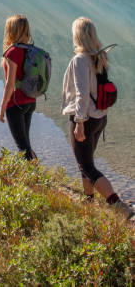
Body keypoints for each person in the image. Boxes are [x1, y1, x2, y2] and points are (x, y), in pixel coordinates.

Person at [62, 17, 133, 219]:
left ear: (78, 35)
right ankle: (89, 202)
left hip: (85, 118)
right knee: (86, 162)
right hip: (100, 117)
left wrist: (79, 123)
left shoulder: (80, 59)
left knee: (87, 166)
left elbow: (82, 94)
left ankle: (119, 207)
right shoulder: (99, 56)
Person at [0, 14, 37, 160]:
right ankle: (36, 172)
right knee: (25, 142)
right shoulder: (30, 50)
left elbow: (10, 83)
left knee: (22, 147)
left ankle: (33, 179)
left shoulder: (12, 52)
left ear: (11, 31)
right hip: (30, 101)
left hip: (15, 104)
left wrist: (2, 107)